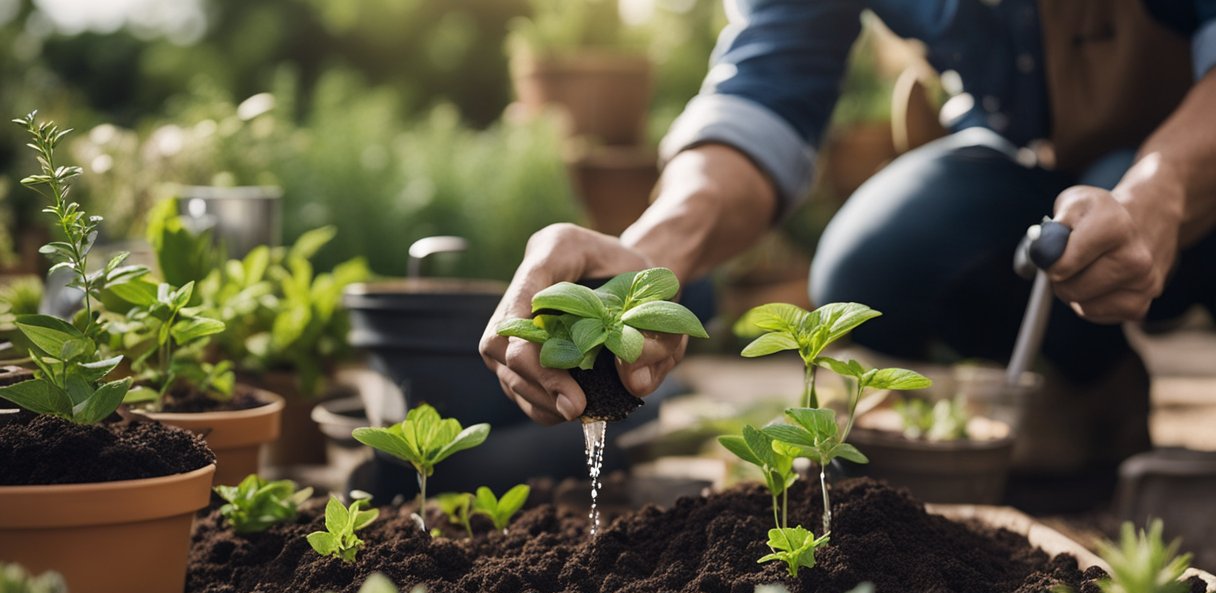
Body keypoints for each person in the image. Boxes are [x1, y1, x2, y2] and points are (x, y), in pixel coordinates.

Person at [481, 1, 1216, 461]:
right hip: (1030, 164)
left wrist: (1165, 188)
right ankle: (1095, 381)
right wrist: (650, 257)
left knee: (1132, 171)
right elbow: (763, 94)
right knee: (881, 257)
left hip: (1188, 150)